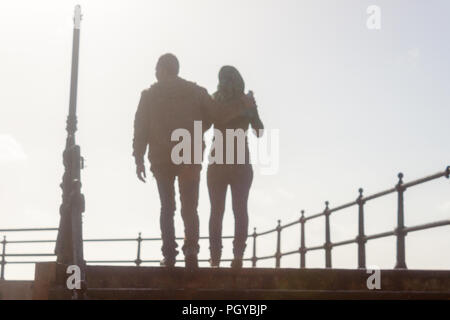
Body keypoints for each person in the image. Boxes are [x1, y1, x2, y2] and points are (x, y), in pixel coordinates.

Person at [132, 54, 255, 269]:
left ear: (163, 69)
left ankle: (170, 255)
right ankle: (191, 253)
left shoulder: (149, 95)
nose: (154, 72)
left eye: (156, 68)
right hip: (188, 154)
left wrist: (139, 158)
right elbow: (217, 115)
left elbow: (140, 128)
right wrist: (242, 106)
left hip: (161, 158)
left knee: (167, 206)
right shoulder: (195, 92)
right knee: (190, 207)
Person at [207, 66, 264, 268]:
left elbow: (208, 122)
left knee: (217, 211)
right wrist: (249, 108)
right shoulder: (244, 101)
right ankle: (238, 256)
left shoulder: (215, 99)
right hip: (240, 161)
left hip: (218, 161)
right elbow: (259, 130)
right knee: (239, 209)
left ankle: (215, 259)